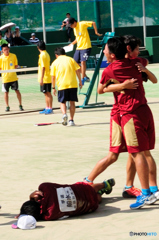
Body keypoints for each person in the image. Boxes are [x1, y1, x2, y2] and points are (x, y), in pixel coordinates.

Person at [83, 37, 159, 209]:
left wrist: (143, 71)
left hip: (131, 113)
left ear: (112, 53)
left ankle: (148, 192)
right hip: (123, 113)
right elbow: (103, 90)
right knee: (120, 153)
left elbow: (100, 90)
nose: (103, 52)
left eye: (105, 50)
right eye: (137, 49)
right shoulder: (135, 61)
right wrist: (122, 85)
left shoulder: (111, 70)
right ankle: (90, 182)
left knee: (138, 152)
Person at [121, 35, 158, 199]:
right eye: (137, 48)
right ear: (128, 48)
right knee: (133, 153)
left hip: (137, 112)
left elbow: (154, 80)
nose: (139, 51)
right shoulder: (117, 66)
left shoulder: (139, 62)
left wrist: (144, 70)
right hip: (128, 113)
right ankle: (129, 186)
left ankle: (152, 189)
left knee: (143, 153)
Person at [15, 178, 115, 221]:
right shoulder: (44, 187)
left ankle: (100, 194)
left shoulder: (48, 216)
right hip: (81, 189)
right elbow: (52, 188)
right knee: (90, 189)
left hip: (90, 206)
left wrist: (24, 215)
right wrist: (32, 197)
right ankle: (104, 184)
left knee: (96, 199)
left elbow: (39, 215)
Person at [51, 47, 82, 126]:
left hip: (62, 85)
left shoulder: (55, 62)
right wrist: (80, 81)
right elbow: (77, 70)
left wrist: (53, 87)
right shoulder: (71, 59)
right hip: (73, 84)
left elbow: (53, 76)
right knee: (72, 103)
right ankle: (71, 120)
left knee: (62, 102)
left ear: (56, 55)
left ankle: (64, 114)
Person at [68, 17, 102, 85]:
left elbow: (93, 23)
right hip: (78, 48)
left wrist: (96, 32)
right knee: (74, 63)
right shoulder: (74, 29)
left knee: (83, 62)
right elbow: (77, 39)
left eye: (71, 25)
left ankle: (83, 77)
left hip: (86, 47)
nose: (70, 26)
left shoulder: (82, 24)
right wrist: (71, 44)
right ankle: (85, 76)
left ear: (74, 22)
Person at [0, 44, 24, 112]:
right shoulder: (1, 58)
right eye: (4, 50)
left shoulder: (13, 56)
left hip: (13, 78)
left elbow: (16, 65)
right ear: (2, 50)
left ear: (9, 49)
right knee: (6, 92)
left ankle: (20, 105)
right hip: (5, 79)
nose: (6, 51)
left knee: (17, 91)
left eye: (7, 49)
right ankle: (7, 106)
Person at [37, 40, 53, 114]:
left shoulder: (43, 55)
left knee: (48, 93)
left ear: (38, 47)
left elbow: (43, 67)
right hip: (45, 77)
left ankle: (50, 108)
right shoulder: (45, 54)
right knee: (46, 93)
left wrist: (41, 79)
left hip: (45, 78)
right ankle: (47, 107)